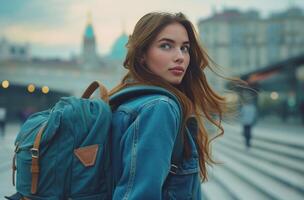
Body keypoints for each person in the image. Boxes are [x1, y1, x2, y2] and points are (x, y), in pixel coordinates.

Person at [109, 12, 228, 199]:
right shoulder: (159, 108)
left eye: (185, 48)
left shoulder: (125, 100)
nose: (180, 56)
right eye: (166, 46)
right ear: (141, 55)